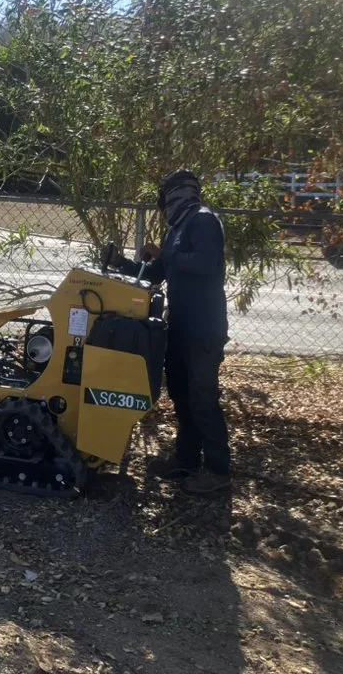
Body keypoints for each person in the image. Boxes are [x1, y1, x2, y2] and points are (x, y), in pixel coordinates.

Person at [108, 169, 231, 494]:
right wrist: (122, 263)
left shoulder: (204, 221)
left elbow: (205, 262)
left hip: (204, 329)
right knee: (182, 396)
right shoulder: (178, 227)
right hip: (180, 326)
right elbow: (161, 272)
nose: (165, 203)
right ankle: (186, 462)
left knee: (203, 399)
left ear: (181, 193)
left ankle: (218, 471)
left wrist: (168, 254)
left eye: (167, 195)